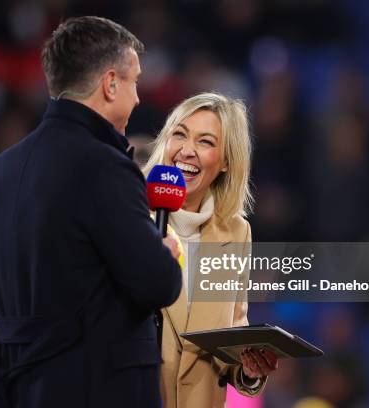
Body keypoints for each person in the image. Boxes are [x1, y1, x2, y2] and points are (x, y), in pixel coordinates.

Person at [0, 16, 182, 408]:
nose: (138, 98)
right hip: (100, 391)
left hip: (17, 391)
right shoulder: (106, 167)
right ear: (110, 84)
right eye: (134, 83)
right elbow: (157, 284)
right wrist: (166, 252)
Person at [144, 92, 278, 408]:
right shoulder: (130, 216)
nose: (186, 151)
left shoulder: (236, 231)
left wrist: (247, 370)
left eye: (205, 142)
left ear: (226, 160)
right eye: (179, 134)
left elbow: (231, 334)